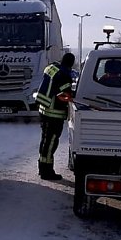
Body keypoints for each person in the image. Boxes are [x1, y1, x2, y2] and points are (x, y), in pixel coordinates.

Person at [34, 52, 76, 180]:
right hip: (54, 114)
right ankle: (47, 171)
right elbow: (65, 96)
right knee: (51, 143)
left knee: (45, 141)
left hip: (43, 109)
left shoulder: (51, 67)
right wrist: (73, 95)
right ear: (71, 64)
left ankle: (42, 168)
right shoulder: (65, 76)